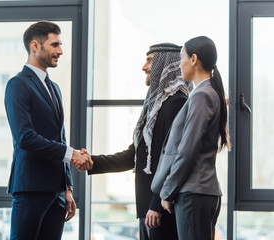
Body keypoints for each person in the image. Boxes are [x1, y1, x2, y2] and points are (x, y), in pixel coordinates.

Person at [81, 43, 193, 240]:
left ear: (166, 64)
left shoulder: (177, 103)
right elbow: (134, 155)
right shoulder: (156, 107)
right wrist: (91, 161)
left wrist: (156, 205)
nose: (144, 67)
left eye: (150, 61)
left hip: (162, 210)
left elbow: (174, 160)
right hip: (148, 210)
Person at [4, 21, 92, 240]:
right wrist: (72, 154)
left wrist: (67, 187)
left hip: (57, 192)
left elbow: (59, 136)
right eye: (55, 45)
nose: (60, 51)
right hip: (31, 187)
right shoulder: (17, 85)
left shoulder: (54, 87)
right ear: (35, 45)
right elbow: (25, 137)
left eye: (60, 45)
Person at [151, 36, 231, 240]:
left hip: (194, 193)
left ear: (193, 59)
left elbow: (187, 150)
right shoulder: (209, 92)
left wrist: (167, 191)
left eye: (181, 58)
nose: (179, 64)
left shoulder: (202, 95)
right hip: (201, 192)